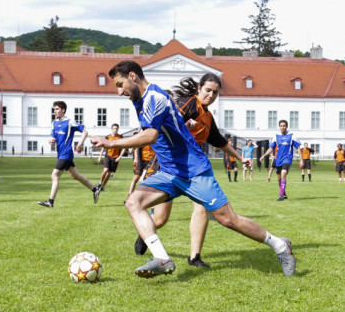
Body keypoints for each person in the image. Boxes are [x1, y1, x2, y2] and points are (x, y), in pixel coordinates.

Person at [91, 60, 296, 278]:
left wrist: (110, 142)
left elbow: (150, 135)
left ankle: (281, 245)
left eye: (120, 84)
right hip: (169, 173)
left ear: (132, 76)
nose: (119, 91)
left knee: (227, 219)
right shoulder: (141, 99)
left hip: (193, 171)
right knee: (133, 202)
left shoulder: (155, 98)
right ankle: (162, 259)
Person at [134, 74, 251, 268]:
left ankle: (194, 257)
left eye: (215, 92)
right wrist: (183, 125)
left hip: (194, 169)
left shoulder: (207, 116)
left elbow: (219, 141)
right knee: (161, 218)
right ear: (199, 88)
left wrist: (240, 157)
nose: (211, 95)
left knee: (202, 206)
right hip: (169, 166)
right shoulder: (189, 103)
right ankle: (144, 231)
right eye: (207, 90)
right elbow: (168, 121)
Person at [37, 101, 100, 208]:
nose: (54, 111)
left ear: (63, 110)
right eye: (54, 109)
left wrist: (80, 144)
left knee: (54, 175)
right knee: (76, 176)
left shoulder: (70, 122)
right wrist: (51, 140)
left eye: (57, 109)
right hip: (61, 154)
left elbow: (85, 132)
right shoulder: (54, 123)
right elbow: (53, 137)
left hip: (66, 154)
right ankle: (95, 189)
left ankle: (50, 202)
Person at [259, 120, 301, 201]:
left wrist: (301, 160)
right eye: (281, 126)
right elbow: (271, 148)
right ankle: (284, 193)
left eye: (284, 126)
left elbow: (298, 148)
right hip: (278, 159)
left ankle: (281, 196)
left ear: (287, 126)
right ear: (279, 127)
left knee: (283, 173)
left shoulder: (292, 136)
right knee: (279, 178)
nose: (282, 127)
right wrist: (264, 155)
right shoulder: (276, 137)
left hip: (287, 158)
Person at [96, 123, 125, 191]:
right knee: (105, 170)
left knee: (109, 173)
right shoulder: (108, 137)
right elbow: (103, 147)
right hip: (108, 156)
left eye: (116, 129)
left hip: (115, 158)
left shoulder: (120, 137)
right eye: (114, 128)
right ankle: (100, 183)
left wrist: (119, 157)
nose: (115, 130)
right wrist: (100, 156)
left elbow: (124, 147)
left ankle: (103, 187)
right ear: (111, 129)